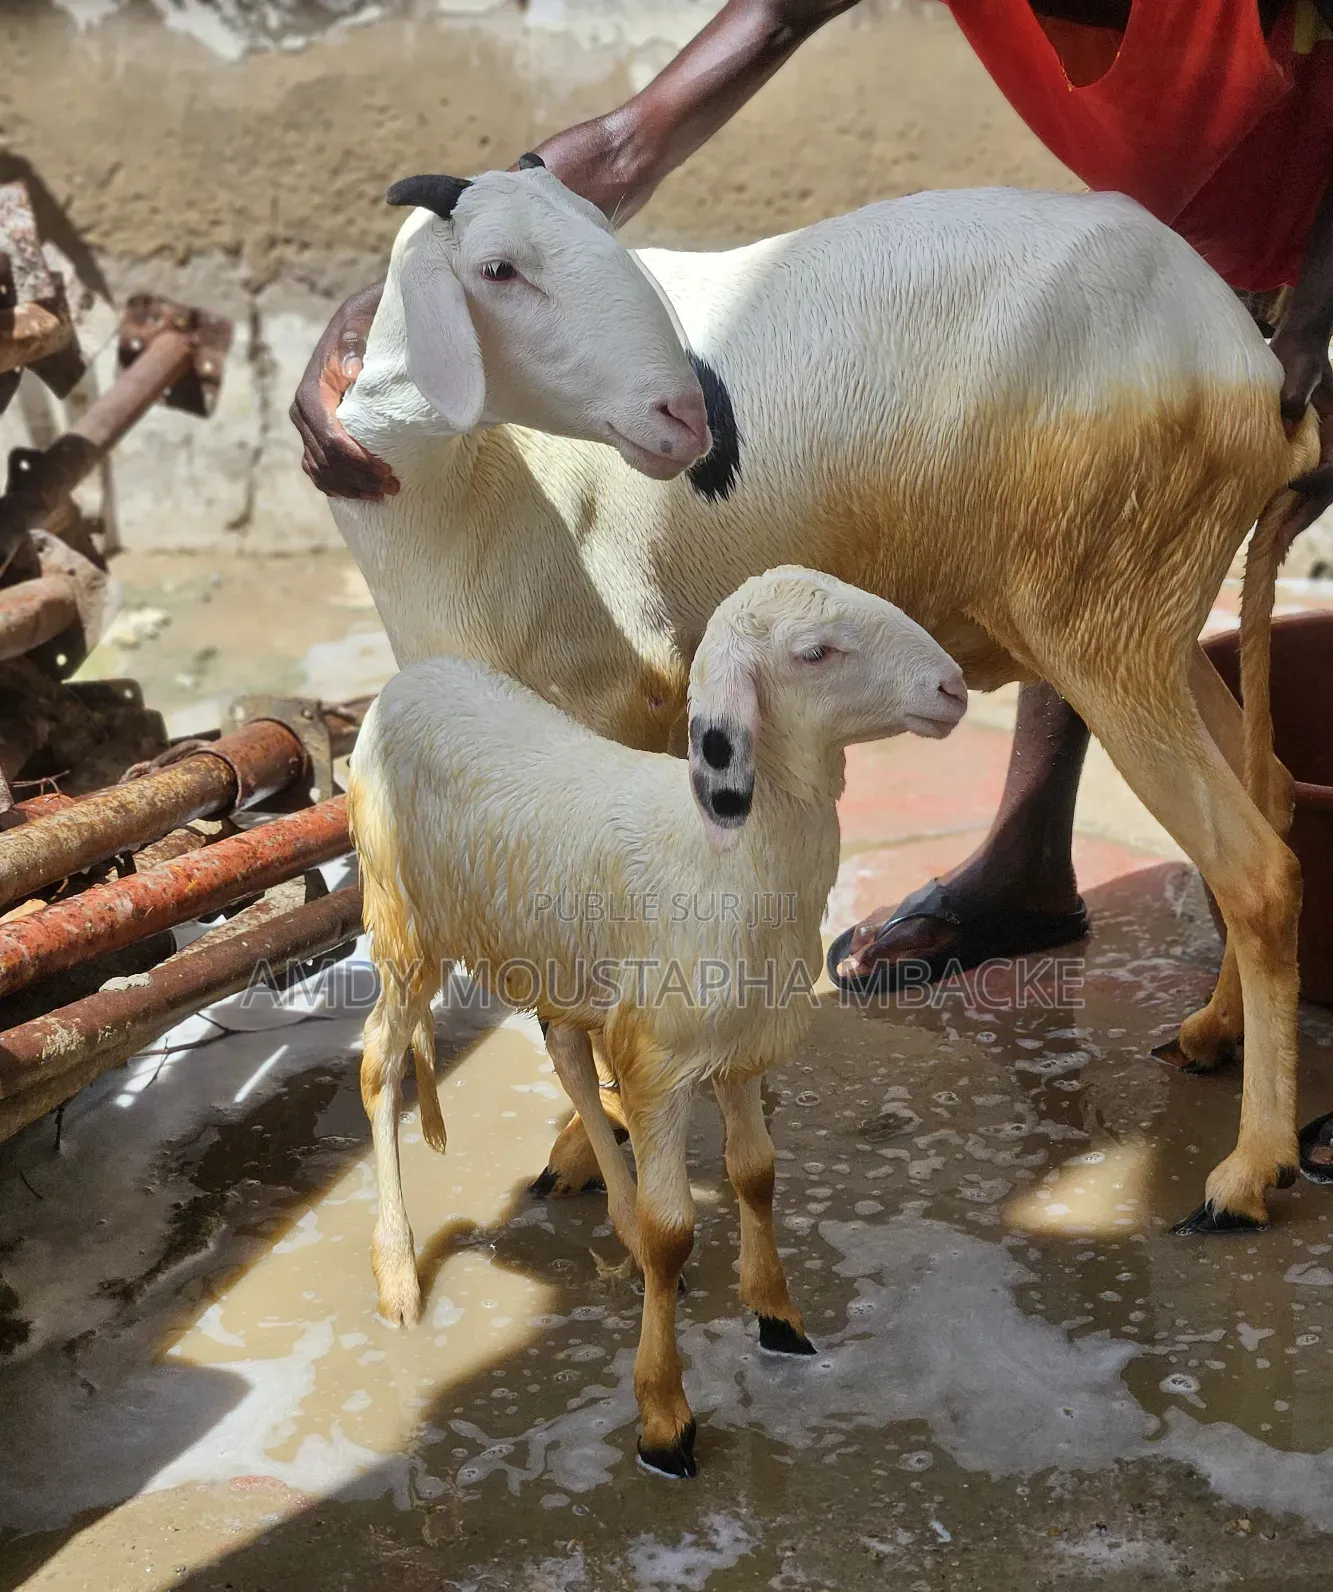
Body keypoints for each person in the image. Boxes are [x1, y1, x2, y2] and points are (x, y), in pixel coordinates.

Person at [292, 0, 1333, 995]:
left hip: (1304, 263)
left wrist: (1316, 324)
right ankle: (1029, 860)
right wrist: (405, 294)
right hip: (1195, 250)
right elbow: (629, 141)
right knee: (1074, 550)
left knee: (1087, 543)